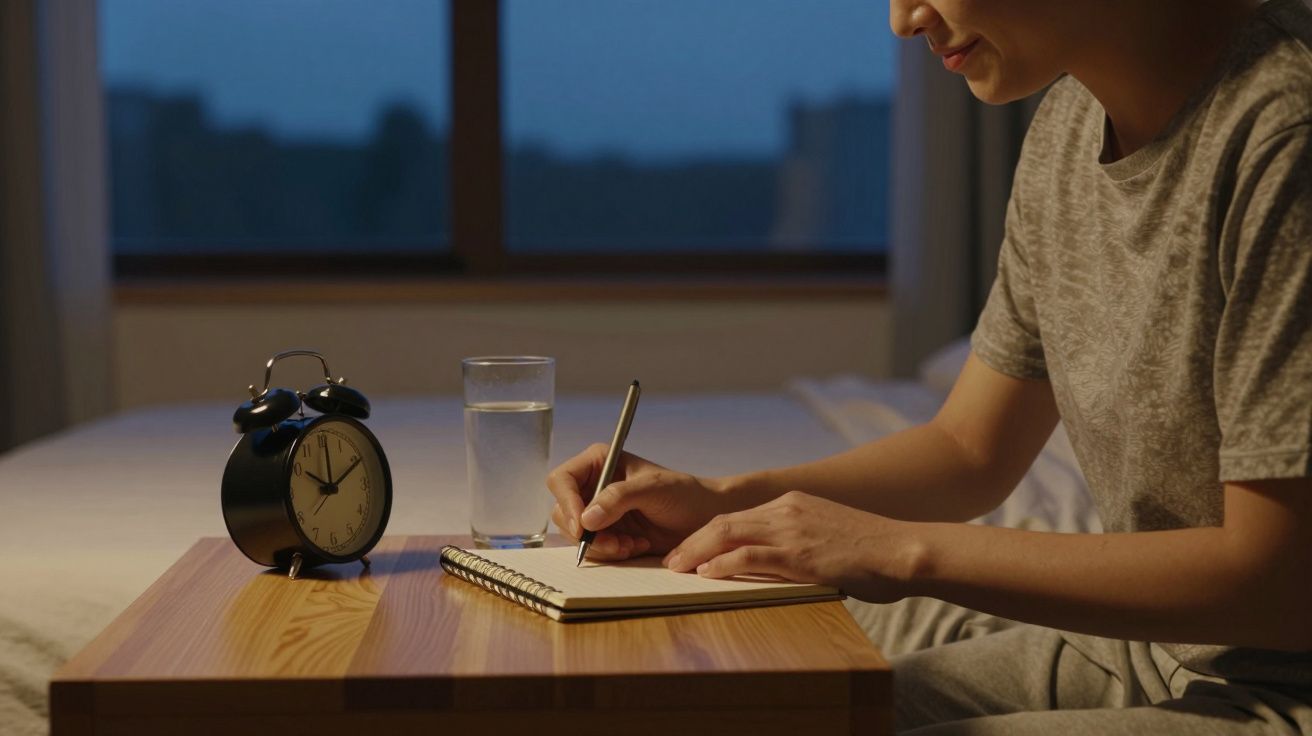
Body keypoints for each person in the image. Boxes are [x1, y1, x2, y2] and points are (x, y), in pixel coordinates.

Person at [548, 0, 1312, 732]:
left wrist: (894, 551)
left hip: (1285, 692)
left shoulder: (1284, 128)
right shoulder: (1068, 127)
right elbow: (968, 449)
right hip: (1147, 654)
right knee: (775, 709)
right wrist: (722, 503)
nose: (902, 18)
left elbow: (1279, 580)